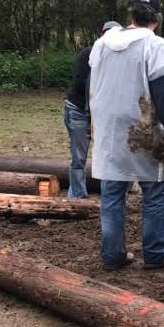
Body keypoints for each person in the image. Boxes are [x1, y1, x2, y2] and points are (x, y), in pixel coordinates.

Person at [88, 0, 164, 270]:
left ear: (130, 16)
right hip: (142, 127)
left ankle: (113, 255)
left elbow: (92, 86)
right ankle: (156, 254)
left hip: (109, 128)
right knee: (154, 192)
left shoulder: (102, 44)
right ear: (157, 19)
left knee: (112, 192)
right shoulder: (156, 48)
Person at [64, 20, 119, 199]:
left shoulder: (117, 59)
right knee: (79, 157)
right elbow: (81, 83)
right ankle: (77, 197)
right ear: (102, 34)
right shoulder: (87, 54)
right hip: (79, 111)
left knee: (105, 156)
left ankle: (108, 195)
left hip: (102, 113)